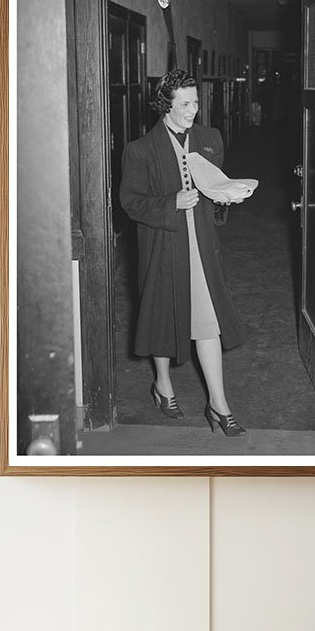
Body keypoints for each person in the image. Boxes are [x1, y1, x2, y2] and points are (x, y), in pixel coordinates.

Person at [119, 69, 247, 437]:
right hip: (163, 244)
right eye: (186, 103)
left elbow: (213, 183)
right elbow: (131, 203)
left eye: (196, 102)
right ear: (166, 105)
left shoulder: (209, 138)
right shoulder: (140, 150)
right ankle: (162, 383)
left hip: (202, 246)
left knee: (208, 320)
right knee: (162, 314)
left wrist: (225, 196)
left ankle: (218, 404)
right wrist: (170, 202)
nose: (194, 110)